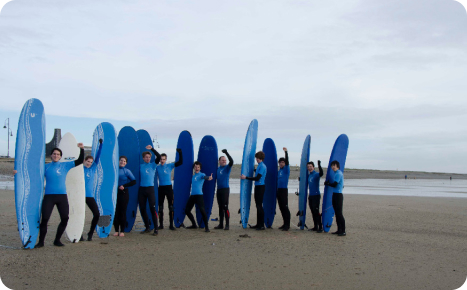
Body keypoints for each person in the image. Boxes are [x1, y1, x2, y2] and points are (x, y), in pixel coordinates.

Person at [14, 143, 85, 247]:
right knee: (45, 219)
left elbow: (79, 161)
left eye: (58, 154)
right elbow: (31, 173)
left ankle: (57, 240)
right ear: (51, 155)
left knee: (65, 218)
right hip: (49, 197)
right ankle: (41, 242)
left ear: (60, 156)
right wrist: (17, 172)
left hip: (62, 196)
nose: (56, 155)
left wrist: (82, 149)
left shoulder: (65, 165)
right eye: (54, 154)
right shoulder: (45, 167)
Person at [155, 148, 183, 230]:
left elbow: (180, 162)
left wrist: (180, 153)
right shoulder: (157, 167)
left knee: (171, 207)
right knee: (160, 207)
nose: (162, 160)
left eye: (163, 159)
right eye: (161, 159)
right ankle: (161, 225)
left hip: (169, 188)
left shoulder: (170, 165)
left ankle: (171, 225)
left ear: (166, 159)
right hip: (161, 188)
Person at [82, 139, 103, 241]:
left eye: (90, 162)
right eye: (88, 161)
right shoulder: (80, 168)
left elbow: (98, 156)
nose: (89, 163)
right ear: (84, 161)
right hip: (80, 195)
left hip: (89, 195)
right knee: (80, 215)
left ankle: (90, 233)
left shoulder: (93, 168)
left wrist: (101, 145)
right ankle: (78, 234)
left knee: (97, 214)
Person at [241, 151, 267, 230]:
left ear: (261, 158)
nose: (256, 159)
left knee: (259, 206)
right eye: (256, 158)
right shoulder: (259, 165)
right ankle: (258, 224)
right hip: (257, 187)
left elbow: (257, 178)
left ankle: (262, 225)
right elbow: (257, 172)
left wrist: (246, 178)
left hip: (260, 187)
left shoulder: (262, 166)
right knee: (257, 206)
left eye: (258, 158)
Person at [184, 161, 213, 232]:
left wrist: (209, 177)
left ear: (200, 168)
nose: (196, 168)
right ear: (194, 168)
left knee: (202, 211)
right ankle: (194, 224)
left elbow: (205, 177)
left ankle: (206, 227)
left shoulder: (201, 174)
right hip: (192, 196)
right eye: (195, 167)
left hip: (199, 196)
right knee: (187, 211)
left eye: (198, 167)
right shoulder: (193, 176)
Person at [139, 145, 160, 236]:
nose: (147, 158)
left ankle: (156, 228)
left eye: (149, 157)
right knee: (142, 209)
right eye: (146, 157)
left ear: (150, 158)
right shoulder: (140, 166)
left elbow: (159, 157)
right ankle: (147, 227)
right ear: (143, 158)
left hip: (150, 189)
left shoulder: (153, 165)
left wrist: (152, 149)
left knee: (152, 208)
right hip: (142, 190)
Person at [113, 155, 136, 237]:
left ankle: (122, 230)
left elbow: (134, 181)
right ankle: (116, 230)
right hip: (114, 193)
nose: (122, 162)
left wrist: (124, 186)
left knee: (122, 212)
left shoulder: (127, 171)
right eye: (121, 160)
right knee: (116, 212)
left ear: (126, 163)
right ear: (118, 161)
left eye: (124, 161)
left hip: (123, 193)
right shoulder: (114, 169)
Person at [324, 160, 346, 236]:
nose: (333, 167)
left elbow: (335, 184)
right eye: (332, 165)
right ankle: (339, 230)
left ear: (338, 166)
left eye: (334, 165)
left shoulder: (338, 173)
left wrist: (328, 183)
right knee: (336, 213)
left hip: (338, 196)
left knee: (339, 213)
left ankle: (343, 231)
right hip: (335, 194)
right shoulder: (336, 173)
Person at [214, 149, 233, 230]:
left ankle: (227, 225)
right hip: (219, 190)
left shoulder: (227, 168)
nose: (224, 161)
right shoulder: (217, 169)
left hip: (225, 189)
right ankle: (221, 224)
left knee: (225, 207)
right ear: (219, 161)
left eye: (225, 160)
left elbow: (231, 161)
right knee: (220, 207)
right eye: (222, 160)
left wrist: (226, 153)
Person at [277, 147, 291, 231]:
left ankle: (287, 225)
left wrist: (286, 152)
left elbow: (287, 161)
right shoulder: (279, 171)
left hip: (284, 190)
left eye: (283, 162)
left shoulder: (286, 169)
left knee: (285, 207)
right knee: (281, 207)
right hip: (278, 190)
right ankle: (284, 223)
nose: (282, 164)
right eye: (280, 162)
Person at [307, 160, 323, 233]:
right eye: (308, 167)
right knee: (313, 211)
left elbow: (321, 173)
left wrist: (319, 165)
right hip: (310, 196)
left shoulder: (316, 174)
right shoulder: (309, 175)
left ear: (313, 167)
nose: (309, 168)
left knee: (316, 211)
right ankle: (315, 226)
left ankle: (320, 227)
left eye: (310, 166)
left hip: (316, 195)